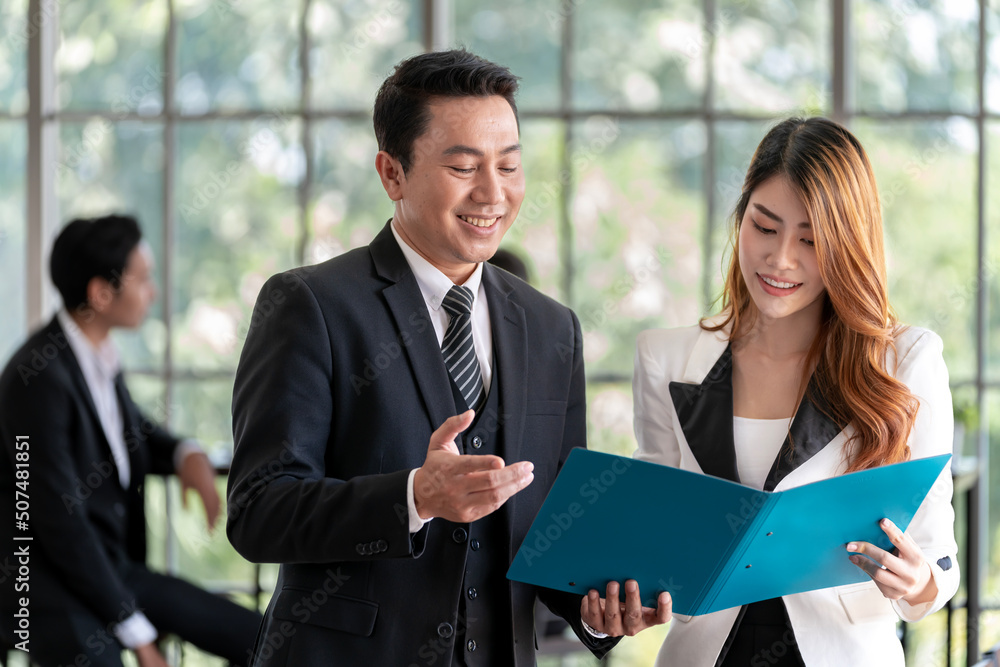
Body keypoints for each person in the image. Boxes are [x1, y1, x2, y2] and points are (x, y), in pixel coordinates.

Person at [226, 49, 670, 666]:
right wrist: (414, 497)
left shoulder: (552, 329)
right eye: (464, 166)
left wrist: (600, 611)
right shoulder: (310, 305)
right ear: (392, 173)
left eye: (510, 166)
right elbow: (258, 511)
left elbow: (554, 530)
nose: (493, 193)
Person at [632, 117, 959, 666]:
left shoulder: (905, 362)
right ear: (740, 220)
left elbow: (936, 556)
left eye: (810, 240)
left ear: (848, 246)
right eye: (764, 227)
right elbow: (657, 530)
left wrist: (916, 582)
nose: (781, 259)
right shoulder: (664, 358)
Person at [0, 215, 261, 667]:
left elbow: (132, 433)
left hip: (108, 568)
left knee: (259, 637)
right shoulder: (37, 377)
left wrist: (187, 452)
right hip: (46, 581)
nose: (153, 292)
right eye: (143, 279)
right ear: (101, 293)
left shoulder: (95, 351)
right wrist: (138, 634)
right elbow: (60, 522)